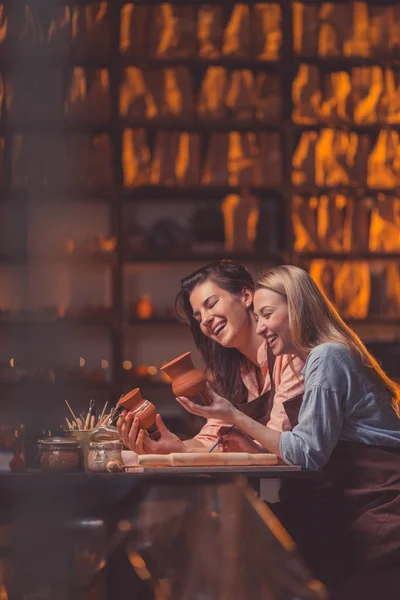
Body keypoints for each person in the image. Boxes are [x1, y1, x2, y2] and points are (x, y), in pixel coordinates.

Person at [177, 264, 400, 598]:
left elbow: (306, 453)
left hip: (381, 507)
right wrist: (174, 445)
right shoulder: (317, 358)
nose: (262, 326)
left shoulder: (326, 357)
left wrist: (236, 417)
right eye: (198, 315)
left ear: (297, 306)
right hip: (356, 507)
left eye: (267, 314)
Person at [118, 260, 304, 454]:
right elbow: (212, 439)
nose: (205, 320)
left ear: (246, 296)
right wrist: (172, 447)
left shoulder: (290, 356)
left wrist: (234, 421)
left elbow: (279, 444)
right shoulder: (237, 371)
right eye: (198, 317)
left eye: (212, 303)